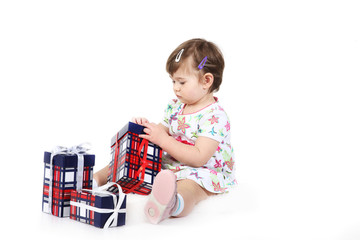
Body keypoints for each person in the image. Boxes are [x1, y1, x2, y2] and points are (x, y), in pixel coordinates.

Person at [94, 38, 237, 224]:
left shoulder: (215, 117)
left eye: (182, 82)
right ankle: (95, 179)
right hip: (172, 165)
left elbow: (199, 157)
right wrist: (146, 130)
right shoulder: (176, 107)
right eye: (173, 81)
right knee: (133, 155)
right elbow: (160, 133)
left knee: (191, 187)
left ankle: (173, 203)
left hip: (204, 171)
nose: (176, 88)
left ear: (206, 81)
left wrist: (164, 140)